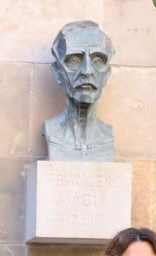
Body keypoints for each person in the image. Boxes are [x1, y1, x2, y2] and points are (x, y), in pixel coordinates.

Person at [42, 20, 116, 161]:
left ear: (106, 74)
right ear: (58, 73)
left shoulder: (107, 135)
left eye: (98, 61)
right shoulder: (51, 131)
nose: (86, 71)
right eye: (74, 60)